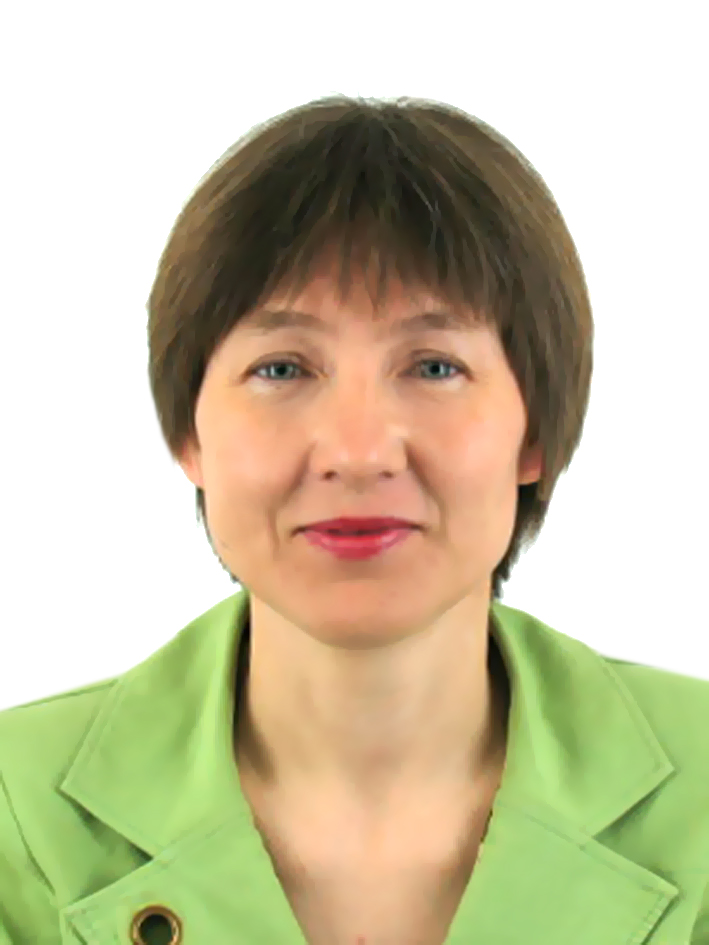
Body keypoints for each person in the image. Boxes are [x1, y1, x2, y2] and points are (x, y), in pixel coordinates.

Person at [1, 95, 708, 945]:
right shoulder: (17, 807)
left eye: (434, 365)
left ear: (535, 434)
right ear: (188, 434)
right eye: (282, 368)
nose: (358, 451)